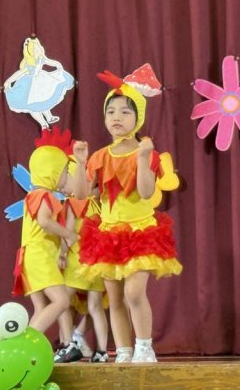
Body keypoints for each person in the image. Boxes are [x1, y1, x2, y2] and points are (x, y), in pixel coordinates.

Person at [72, 70, 182, 363]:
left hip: (141, 231)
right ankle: (123, 350)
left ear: (138, 117)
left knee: (134, 293)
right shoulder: (99, 156)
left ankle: (144, 346)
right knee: (115, 297)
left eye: (124, 111)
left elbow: (146, 192)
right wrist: (80, 163)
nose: (116, 117)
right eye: (110, 111)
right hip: (109, 233)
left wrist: (144, 159)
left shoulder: (146, 152)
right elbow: (81, 194)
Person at [11, 126, 80, 363]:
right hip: (38, 256)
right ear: (52, 172)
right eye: (64, 172)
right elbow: (44, 221)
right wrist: (69, 235)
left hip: (31, 257)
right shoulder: (44, 196)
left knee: (41, 308)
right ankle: (22, 346)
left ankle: (25, 353)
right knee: (61, 301)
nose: (65, 177)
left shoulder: (34, 195)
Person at [57, 182, 110, 363]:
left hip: (77, 261)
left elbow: (70, 233)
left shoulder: (74, 202)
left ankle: (68, 345)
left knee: (62, 303)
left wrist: (62, 253)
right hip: (97, 262)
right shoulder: (97, 204)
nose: (62, 186)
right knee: (95, 307)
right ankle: (102, 352)